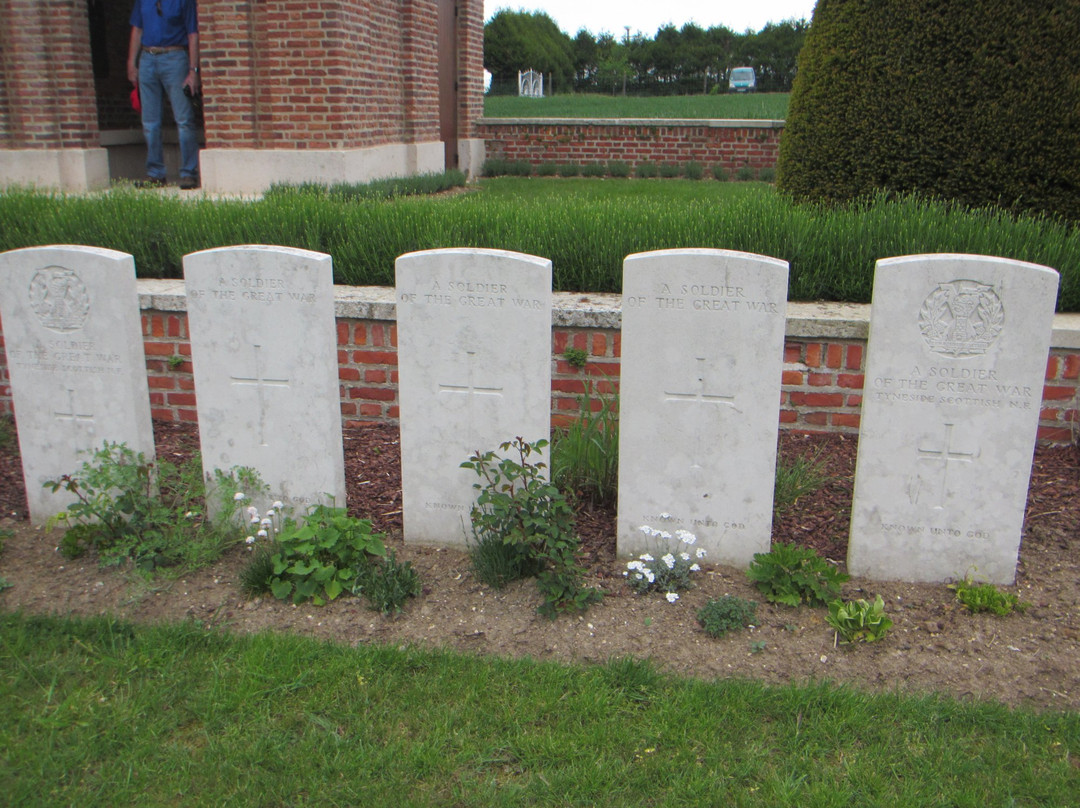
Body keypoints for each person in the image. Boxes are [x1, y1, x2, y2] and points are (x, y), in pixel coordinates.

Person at [126, 0, 200, 189]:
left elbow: (193, 34)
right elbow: (137, 29)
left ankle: (188, 173)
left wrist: (193, 71)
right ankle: (155, 173)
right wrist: (131, 62)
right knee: (149, 122)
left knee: (183, 119)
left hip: (175, 57)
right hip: (147, 58)